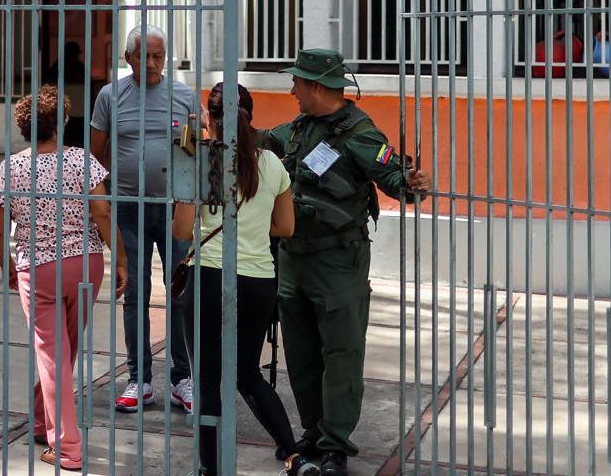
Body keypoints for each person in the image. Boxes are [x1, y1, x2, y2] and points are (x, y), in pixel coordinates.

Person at [266, 49, 428, 476]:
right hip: (293, 259)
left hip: (339, 262)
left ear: (317, 86)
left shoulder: (360, 132)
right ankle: (312, 432)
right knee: (300, 354)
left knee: (340, 354)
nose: (293, 89)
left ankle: (336, 444)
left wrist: (410, 183)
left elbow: (394, 179)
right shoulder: (297, 130)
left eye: (298, 82)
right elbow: (263, 145)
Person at [172, 85, 317, 476]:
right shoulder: (272, 163)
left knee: (206, 380)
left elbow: (183, 231)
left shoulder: (199, 161)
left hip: (209, 277)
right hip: (257, 280)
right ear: (249, 116)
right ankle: (293, 454)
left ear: (208, 118)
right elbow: (285, 227)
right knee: (247, 374)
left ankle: (210, 469)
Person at [0, 86, 126, 472]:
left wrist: (8, 265)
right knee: (64, 350)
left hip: (40, 267)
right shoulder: (82, 161)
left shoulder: (12, 168)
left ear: (24, 128)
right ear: (61, 124)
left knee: (51, 355)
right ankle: (39, 419)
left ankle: (67, 448)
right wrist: (121, 259)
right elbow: (101, 211)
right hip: (86, 264)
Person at [89, 24, 199, 413]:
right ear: (128, 57)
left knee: (182, 292)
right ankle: (140, 380)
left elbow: (198, 152)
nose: (152, 63)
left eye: (159, 56)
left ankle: (183, 378)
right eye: (145, 56)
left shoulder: (184, 96)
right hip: (127, 208)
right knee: (134, 292)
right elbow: (94, 155)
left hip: (174, 209)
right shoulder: (110, 96)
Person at [41, 40, 92, 147]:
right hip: (79, 110)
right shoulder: (78, 67)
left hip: (66, 110)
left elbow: (49, 83)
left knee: (66, 139)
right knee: (78, 140)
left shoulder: (58, 66)